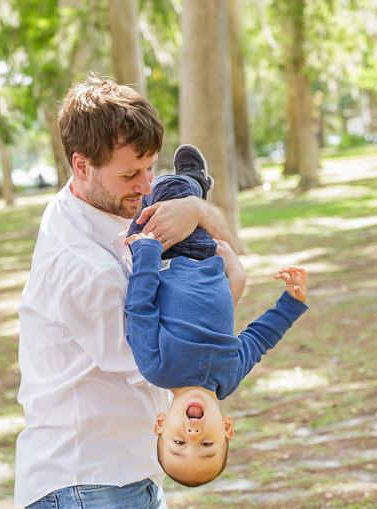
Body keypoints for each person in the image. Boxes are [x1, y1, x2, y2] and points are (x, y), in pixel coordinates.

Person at [14, 77, 233, 509]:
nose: (145, 187)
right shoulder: (73, 262)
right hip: (83, 477)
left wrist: (197, 210)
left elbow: (211, 242)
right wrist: (225, 285)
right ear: (80, 166)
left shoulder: (116, 213)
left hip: (125, 465)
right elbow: (168, 351)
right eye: (131, 173)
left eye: (152, 169)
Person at [124, 147, 308, 488]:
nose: (193, 434)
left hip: (167, 251)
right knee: (182, 197)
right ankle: (194, 183)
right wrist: (291, 303)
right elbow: (258, 339)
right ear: (227, 429)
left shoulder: (157, 368)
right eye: (206, 445)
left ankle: (190, 181)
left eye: (179, 444)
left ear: (161, 424)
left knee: (166, 194)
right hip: (211, 255)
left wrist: (146, 254)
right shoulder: (230, 375)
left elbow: (140, 309)